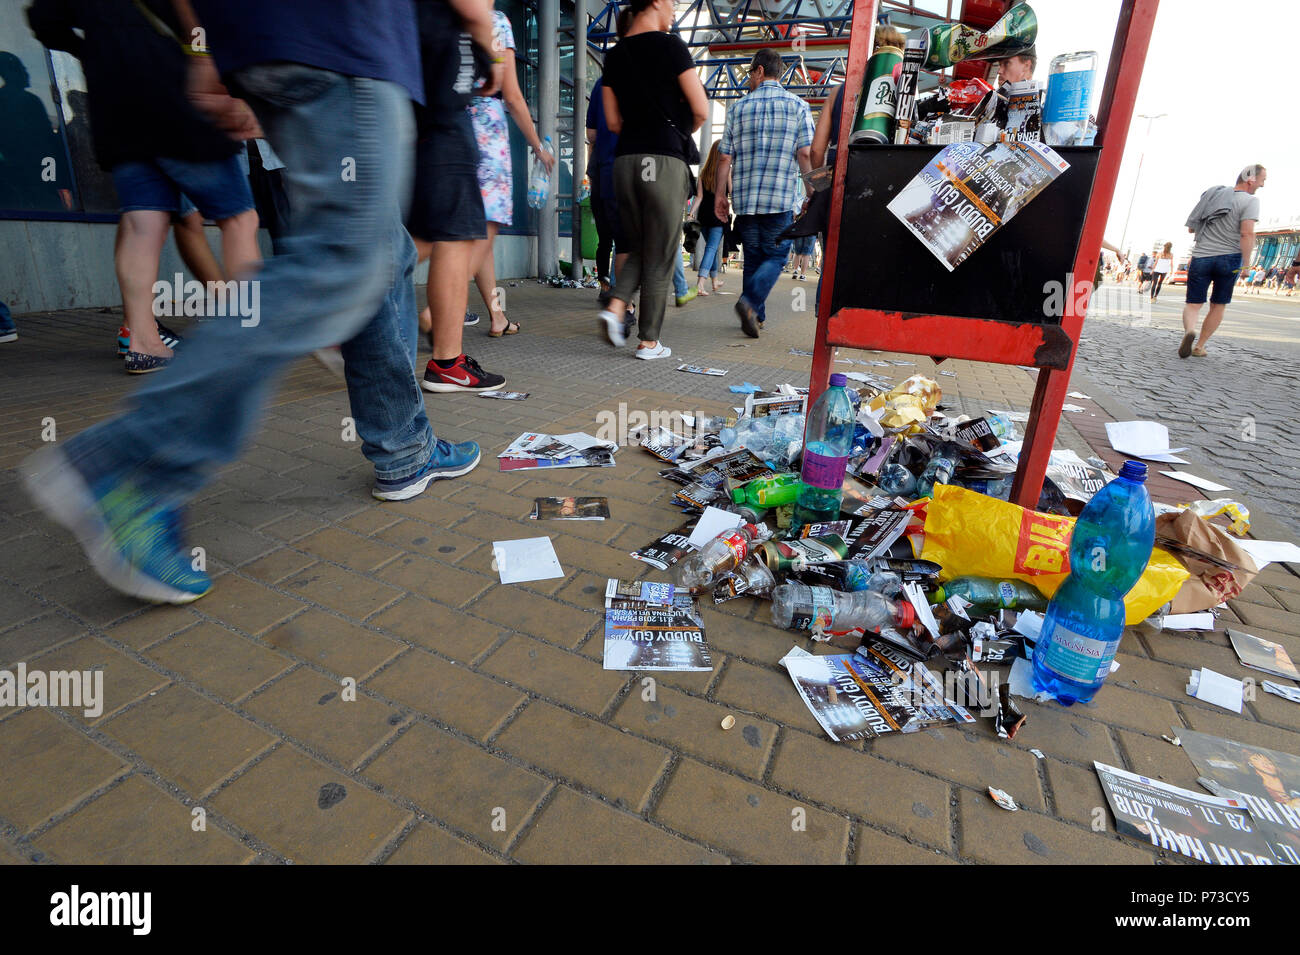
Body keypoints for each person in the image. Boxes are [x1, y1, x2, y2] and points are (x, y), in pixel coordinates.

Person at [22, 0, 483, 605]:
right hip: (343, 40)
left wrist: (207, 47)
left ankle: (405, 449)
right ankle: (129, 460)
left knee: (376, 251)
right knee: (343, 260)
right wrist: (482, 32)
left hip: (274, 40)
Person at [28, 0, 262, 375]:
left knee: (143, 225)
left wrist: (90, 50)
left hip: (115, 107)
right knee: (239, 219)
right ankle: (249, 336)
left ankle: (143, 344)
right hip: (178, 90)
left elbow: (43, 19)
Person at [596, 0, 709, 360]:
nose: (674, 9)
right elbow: (702, 109)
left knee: (638, 246)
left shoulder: (613, 56)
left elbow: (612, 123)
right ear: (656, 1)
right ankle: (648, 342)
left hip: (626, 162)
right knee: (660, 253)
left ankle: (616, 307)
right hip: (664, 161)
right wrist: (674, 135)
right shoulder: (671, 46)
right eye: (673, 3)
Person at [409, 0, 509, 392]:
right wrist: (491, 56)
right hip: (443, 103)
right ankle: (447, 362)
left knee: (432, 232)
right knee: (455, 231)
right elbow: (470, 6)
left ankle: (348, 302)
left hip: (423, 98)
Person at [461, 6, 554, 337]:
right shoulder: (495, 21)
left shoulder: (442, 15)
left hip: (450, 127)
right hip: (487, 132)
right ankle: (441, 308)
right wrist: (538, 147)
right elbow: (511, 94)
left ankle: (497, 316)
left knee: (479, 235)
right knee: (487, 228)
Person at [715, 47, 814, 338]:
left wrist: (721, 195)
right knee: (777, 256)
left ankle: (755, 316)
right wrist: (811, 193)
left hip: (745, 202)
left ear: (760, 71)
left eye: (749, 74)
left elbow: (724, 158)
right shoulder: (797, 106)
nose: (748, 80)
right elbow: (805, 153)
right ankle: (748, 304)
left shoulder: (738, 108)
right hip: (779, 199)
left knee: (754, 258)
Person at [1180, 164, 1266, 358]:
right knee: (1218, 305)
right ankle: (1199, 346)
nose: (1262, 185)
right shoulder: (1251, 201)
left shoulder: (1214, 197)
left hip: (1202, 256)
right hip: (1230, 258)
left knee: (1193, 304)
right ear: (1250, 179)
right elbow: (1247, 233)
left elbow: (1192, 229)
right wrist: (1246, 264)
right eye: (1262, 180)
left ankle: (1189, 331)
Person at [690, 141, 728, 296]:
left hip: (703, 217)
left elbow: (698, 197)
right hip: (718, 216)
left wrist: (691, 213)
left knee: (710, 249)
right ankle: (700, 283)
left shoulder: (703, 173)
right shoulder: (726, 172)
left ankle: (714, 281)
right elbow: (731, 191)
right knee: (711, 249)